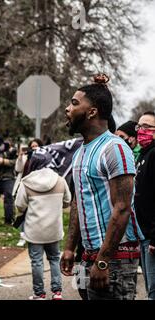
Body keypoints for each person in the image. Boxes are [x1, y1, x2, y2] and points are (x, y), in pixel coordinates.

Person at [61, 74, 144, 300]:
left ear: (92, 112)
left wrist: (103, 261)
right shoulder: (81, 152)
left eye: (74, 103)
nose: (68, 109)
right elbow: (79, 201)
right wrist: (70, 247)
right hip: (87, 257)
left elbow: (123, 207)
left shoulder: (115, 148)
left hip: (114, 260)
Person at [15, 151, 71, 300]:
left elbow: (20, 205)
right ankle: (57, 292)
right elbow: (67, 201)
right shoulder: (60, 180)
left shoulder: (27, 182)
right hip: (54, 229)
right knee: (54, 259)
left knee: (37, 262)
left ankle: (39, 294)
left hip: (34, 230)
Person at [134, 111, 155, 299]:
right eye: (139, 126)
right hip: (143, 234)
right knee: (150, 287)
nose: (141, 130)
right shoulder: (143, 155)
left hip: (152, 235)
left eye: (147, 127)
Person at [14, 138, 43, 246]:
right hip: (24, 187)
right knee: (22, 212)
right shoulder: (26, 157)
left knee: (35, 213)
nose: (34, 148)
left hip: (37, 188)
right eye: (32, 146)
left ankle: (34, 235)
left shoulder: (43, 159)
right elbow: (18, 169)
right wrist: (20, 156)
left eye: (36, 146)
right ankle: (22, 236)